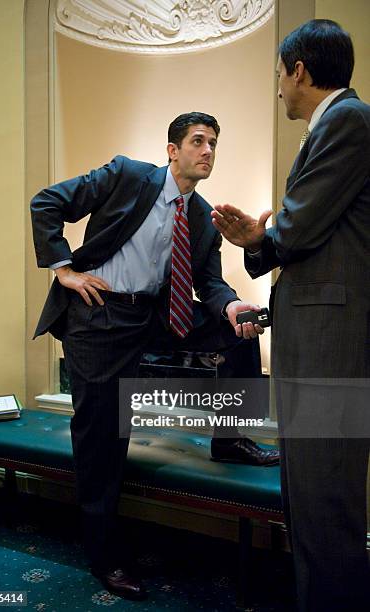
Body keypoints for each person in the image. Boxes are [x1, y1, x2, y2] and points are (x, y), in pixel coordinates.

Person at [30, 112, 279, 600]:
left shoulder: (204, 217)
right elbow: (47, 202)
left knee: (241, 329)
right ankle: (104, 557)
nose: (207, 151)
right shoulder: (127, 175)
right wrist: (64, 269)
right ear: (172, 150)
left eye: (213, 144)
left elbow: (207, 283)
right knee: (103, 434)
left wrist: (232, 305)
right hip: (99, 315)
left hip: (154, 316)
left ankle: (229, 440)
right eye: (198, 142)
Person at [211, 20, 370, 612]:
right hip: (315, 337)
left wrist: (263, 231)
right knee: (307, 493)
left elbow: (299, 227)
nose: (278, 88)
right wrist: (264, 235)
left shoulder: (348, 120)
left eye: (279, 75)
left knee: (326, 499)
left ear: (298, 70)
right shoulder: (331, 125)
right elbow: (304, 232)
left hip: (333, 341)